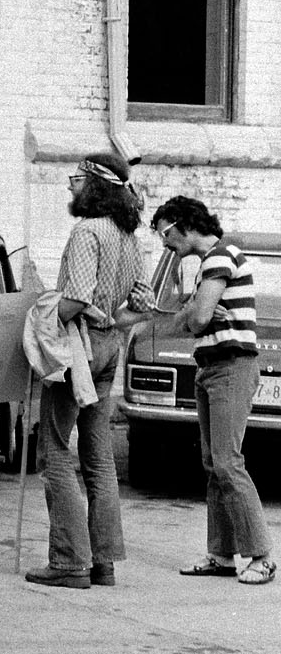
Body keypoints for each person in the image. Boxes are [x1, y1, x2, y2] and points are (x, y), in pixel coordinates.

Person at [134, 196, 273, 587]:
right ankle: (222, 554)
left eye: (164, 233)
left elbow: (195, 319)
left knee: (228, 463)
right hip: (212, 368)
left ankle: (262, 555)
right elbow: (194, 318)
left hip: (230, 367)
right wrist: (198, 312)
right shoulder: (212, 262)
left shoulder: (217, 257)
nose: (165, 244)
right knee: (215, 466)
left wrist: (199, 312)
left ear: (182, 223)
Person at [27, 151, 148, 590]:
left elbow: (75, 298)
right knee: (99, 459)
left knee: (54, 452)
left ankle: (68, 562)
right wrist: (112, 322)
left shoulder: (87, 232)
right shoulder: (128, 234)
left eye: (75, 179)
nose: (69, 186)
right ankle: (104, 563)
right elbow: (142, 303)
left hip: (78, 344)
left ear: (94, 184)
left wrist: (42, 324)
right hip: (108, 344)